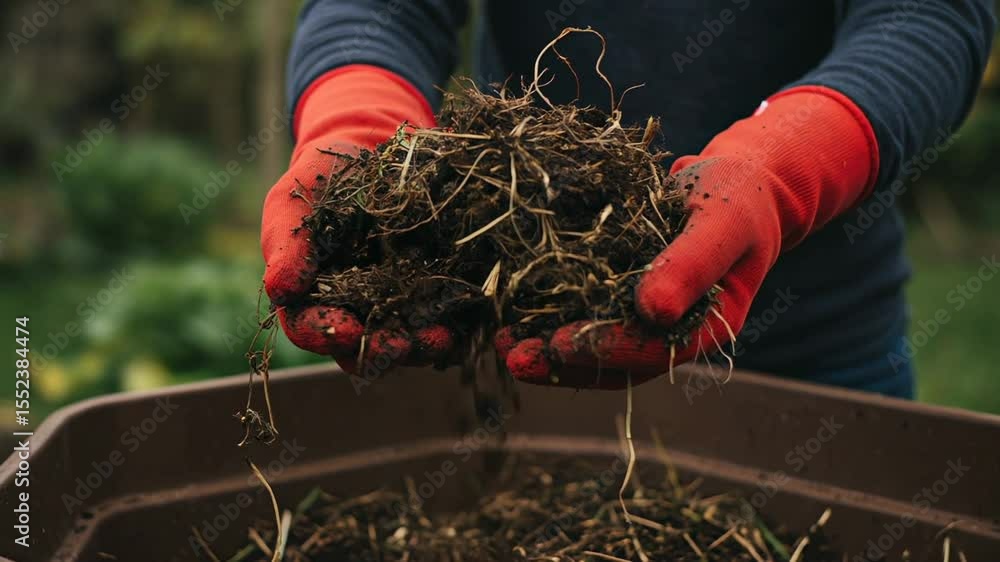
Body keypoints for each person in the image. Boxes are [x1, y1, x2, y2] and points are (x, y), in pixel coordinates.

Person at [261, 0, 995, 396]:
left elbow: (927, 16)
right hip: (513, 345)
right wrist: (357, 121)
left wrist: (780, 170)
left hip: (816, 362)